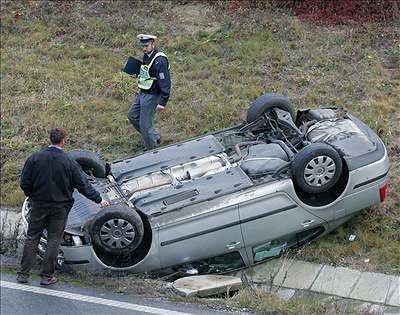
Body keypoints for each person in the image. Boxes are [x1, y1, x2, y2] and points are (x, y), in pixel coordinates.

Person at [17, 128, 109, 285]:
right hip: (60, 208)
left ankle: (23, 274)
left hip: (39, 204)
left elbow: (24, 182)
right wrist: (99, 199)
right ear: (63, 141)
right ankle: (47, 276)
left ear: (49, 139)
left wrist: (32, 194)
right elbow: (83, 185)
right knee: (54, 240)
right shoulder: (69, 162)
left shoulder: (35, 158)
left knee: (32, 237)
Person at [127, 34, 171, 150]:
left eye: (146, 45)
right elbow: (148, 72)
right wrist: (137, 74)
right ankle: (153, 137)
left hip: (152, 95)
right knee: (132, 115)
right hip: (143, 92)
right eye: (142, 46)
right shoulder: (147, 55)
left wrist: (163, 101)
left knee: (145, 125)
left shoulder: (160, 61)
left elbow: (165, 81)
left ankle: (153, 150)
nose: (144, 48)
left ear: (153, 44)